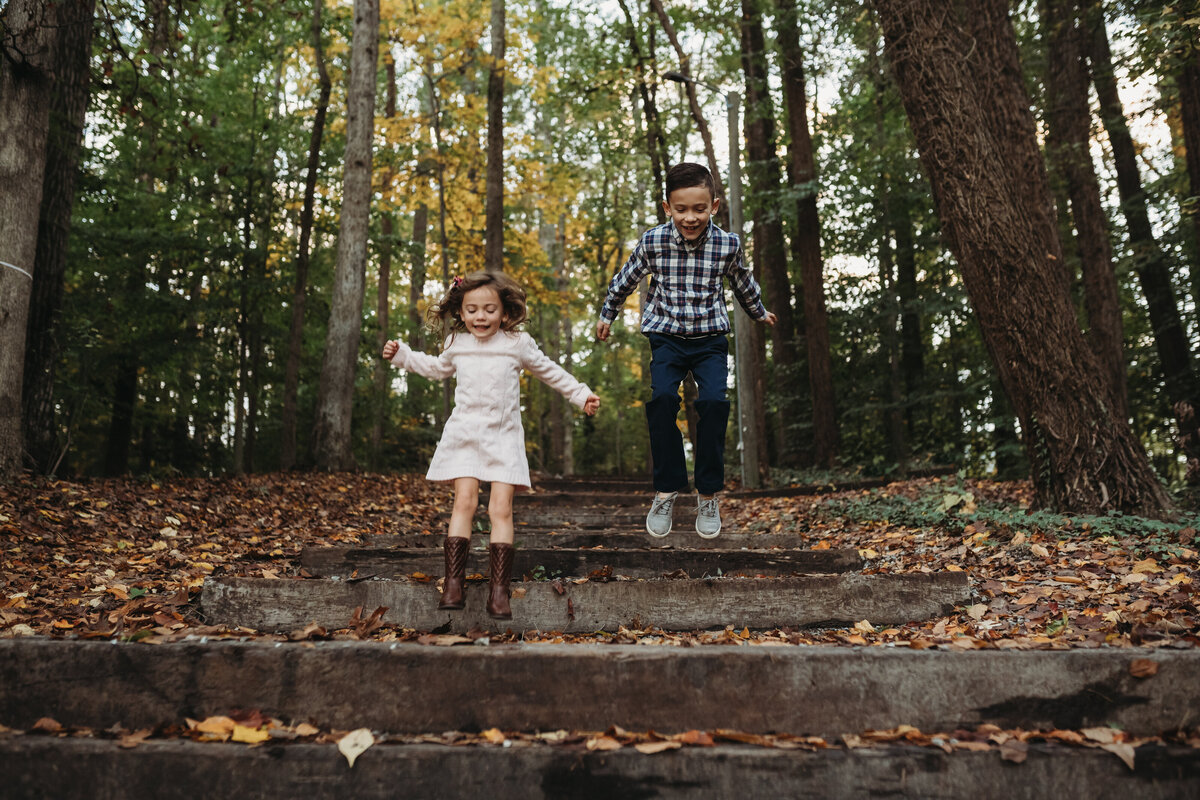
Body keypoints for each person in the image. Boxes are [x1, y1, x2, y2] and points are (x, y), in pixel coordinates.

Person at [383, 270, 600, 619]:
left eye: (488, 309)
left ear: (504, 312)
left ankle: (499, 593)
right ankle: (454, 583)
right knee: (464, 503)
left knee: (500, 509)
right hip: (465, 434)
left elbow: (550, 371)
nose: (480, 317)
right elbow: (435, 368)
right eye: (471, 310)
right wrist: (402, 355)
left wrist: (581, 394)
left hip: (504, 436)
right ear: (460, 312)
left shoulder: (517, 343)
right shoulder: (457, 344)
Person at [596, 162, 776, 539]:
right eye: (681, 210)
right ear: (667, 208)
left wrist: (758, 312)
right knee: (662, 400)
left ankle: (707, 494)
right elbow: (626, 278)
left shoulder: (727, 244)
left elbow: (743, 281)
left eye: (698, 208)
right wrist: (607, 314)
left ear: (714, 205)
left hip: (710, 338)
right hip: (666, 335)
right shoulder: (653, 241)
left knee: (712, 403)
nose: (690, 218)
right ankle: (667, 489)